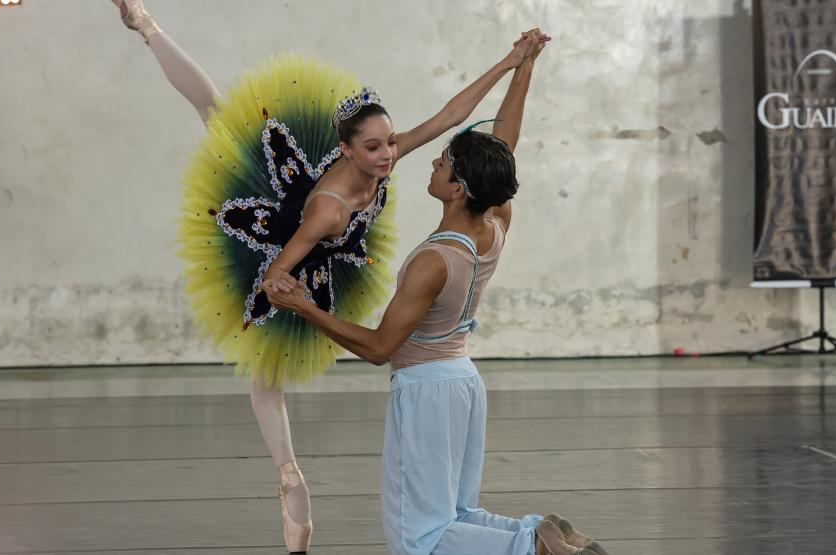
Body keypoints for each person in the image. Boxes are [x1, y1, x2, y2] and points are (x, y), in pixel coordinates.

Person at [110, 1, 547, 552]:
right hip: (291, 232)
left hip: (334, 240)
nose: (390, 156)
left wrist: (510, 62)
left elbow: (450, 116)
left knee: (219, 113)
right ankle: (289, 476)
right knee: (217, 114)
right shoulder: (330, 211)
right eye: (374, 148)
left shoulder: (385, 158)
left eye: (390, 143)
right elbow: (280, 266)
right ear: (347, 149)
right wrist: (287, 294)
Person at [263, 31, 608, 555]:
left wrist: (304, 307)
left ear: (457, 188)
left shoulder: (433, 261)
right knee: (454, 515)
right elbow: (503, 147)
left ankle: (532, 547)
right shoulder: (496, 219)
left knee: (418, 538)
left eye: (442, 164)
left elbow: (379, 348)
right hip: (464, 382)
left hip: (426, 389)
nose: (430, 163)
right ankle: (539, 531)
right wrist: (523, 67)